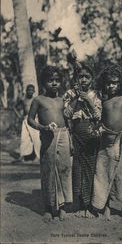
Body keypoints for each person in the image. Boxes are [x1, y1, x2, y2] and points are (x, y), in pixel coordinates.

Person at [92, 64, 122, 221]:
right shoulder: (104, 102)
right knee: (103, 174)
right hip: (105, 143)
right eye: (108, 83)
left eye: (115, 82)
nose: (111, 86)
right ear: (104, 83)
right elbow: (101, 122)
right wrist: (96, 129)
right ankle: (106, 207)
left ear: (121, 83)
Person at [27, 65, 73, 221]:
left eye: (57, 80)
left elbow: (68, 120)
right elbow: (30, 119)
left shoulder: (62, 101)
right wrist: (42, 128)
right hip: (47, 136)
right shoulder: (38, 100)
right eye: (50, 80)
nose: (54, 83)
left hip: (64, 135)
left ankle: (63, 208)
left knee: (64, 169)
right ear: (43, 83)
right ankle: (48, 207)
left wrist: (71, 140)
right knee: (48, 171)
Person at [64, 64, 102, 218]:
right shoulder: (69, 93)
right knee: (77, 170)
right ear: (77, 79)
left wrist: (88, 100)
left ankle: (89, 205)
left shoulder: (96, 94)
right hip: (76, 134)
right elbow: (66, 114)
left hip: (92, 135)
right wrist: (76, 98)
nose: (84, 79)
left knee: (90, 170)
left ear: (92, 79)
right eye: (81, 77)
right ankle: (80, 205)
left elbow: (99, 116)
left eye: (87, 77)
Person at [15, 84, 40, 163]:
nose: (30, 91)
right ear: (26, 91)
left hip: (34, 120)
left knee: (36, 138)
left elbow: (40, 109)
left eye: (31, 90)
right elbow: (15, 107)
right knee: (24, 138)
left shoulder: (36, 100)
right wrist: (19, 116)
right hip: (25, 120)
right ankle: (22, 155)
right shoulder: (23, 99)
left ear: (34, 91)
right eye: (29, 90)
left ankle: (38, 156)